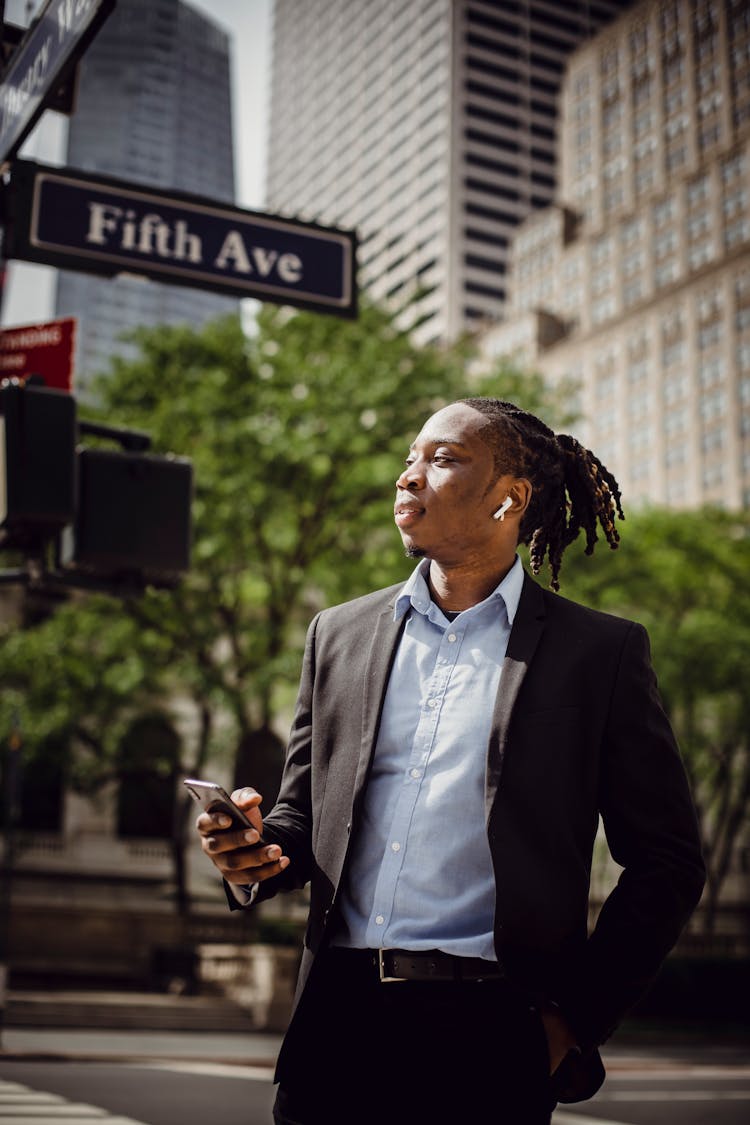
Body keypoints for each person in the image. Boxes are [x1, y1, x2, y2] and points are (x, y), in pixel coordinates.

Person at [197, 398, 705, 1125]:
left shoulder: (599, 655)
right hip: (334, 1027)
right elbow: (302, 819)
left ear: (511, 497)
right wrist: (253, 847)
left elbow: (668, 859)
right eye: (410, 458)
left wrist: (573, 1022)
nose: (410, 477)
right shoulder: (337, 635)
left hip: (493, 1035)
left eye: (442, 459)